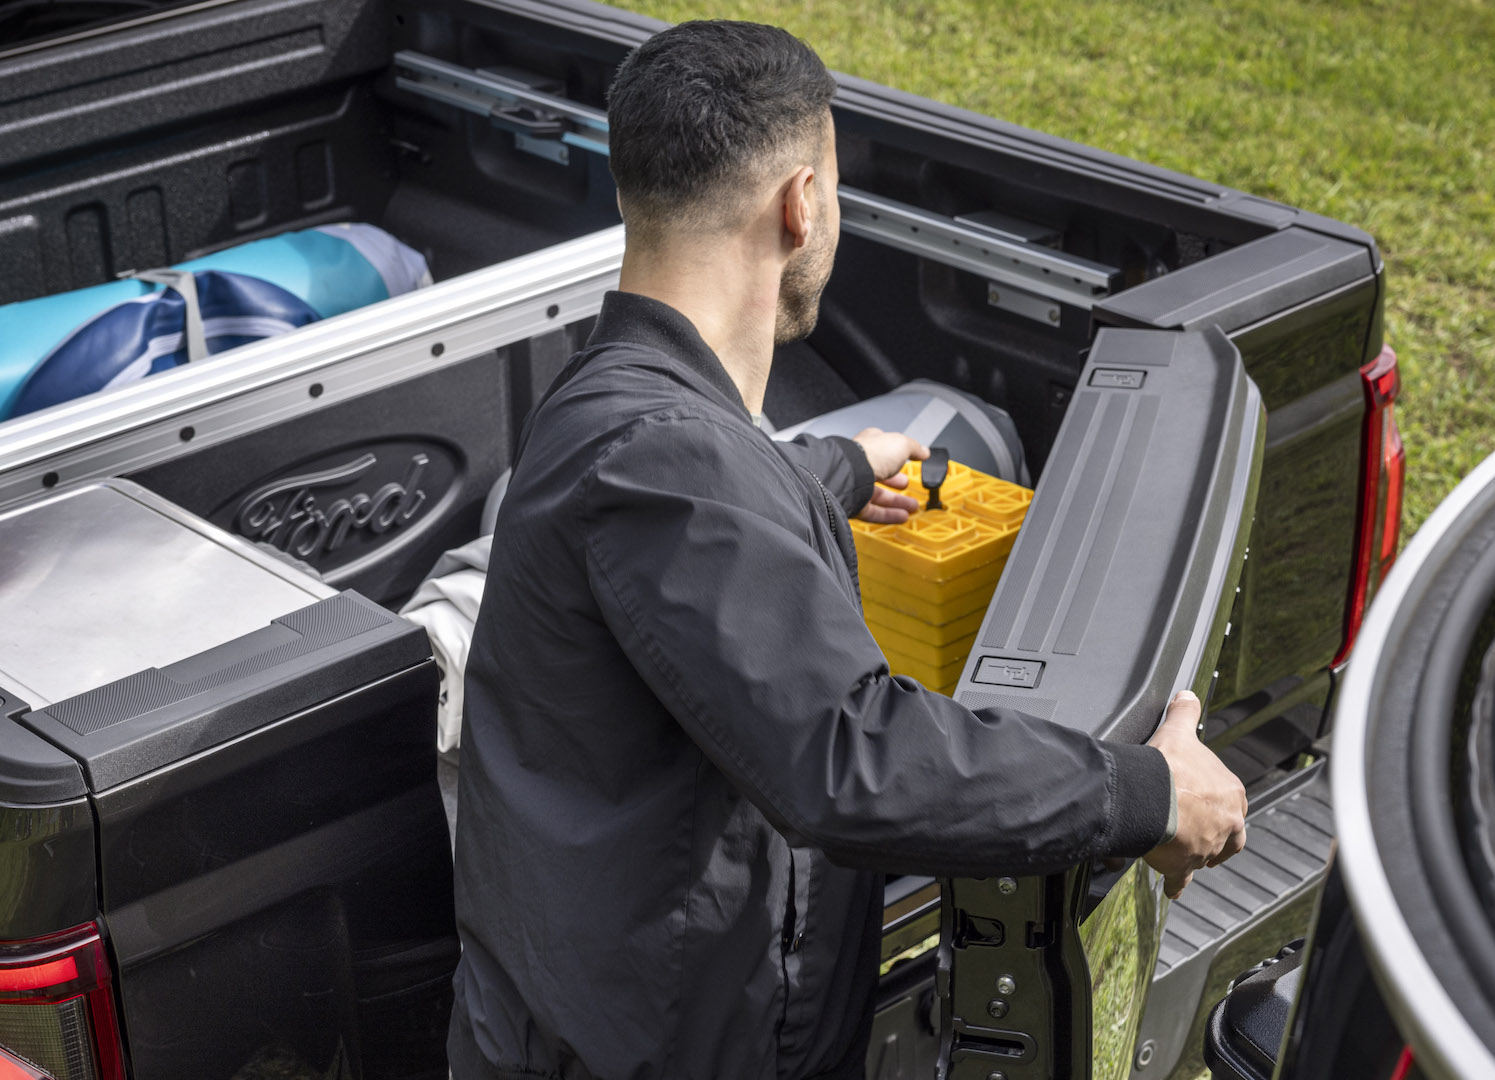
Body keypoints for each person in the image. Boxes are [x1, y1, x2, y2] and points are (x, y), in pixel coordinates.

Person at [448, 20, 1247, 1080]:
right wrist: (1144, 796)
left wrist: (840, 469)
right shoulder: (665, 462)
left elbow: (707, 524)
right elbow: (852, 761)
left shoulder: (614, 402)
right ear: (802, 204)